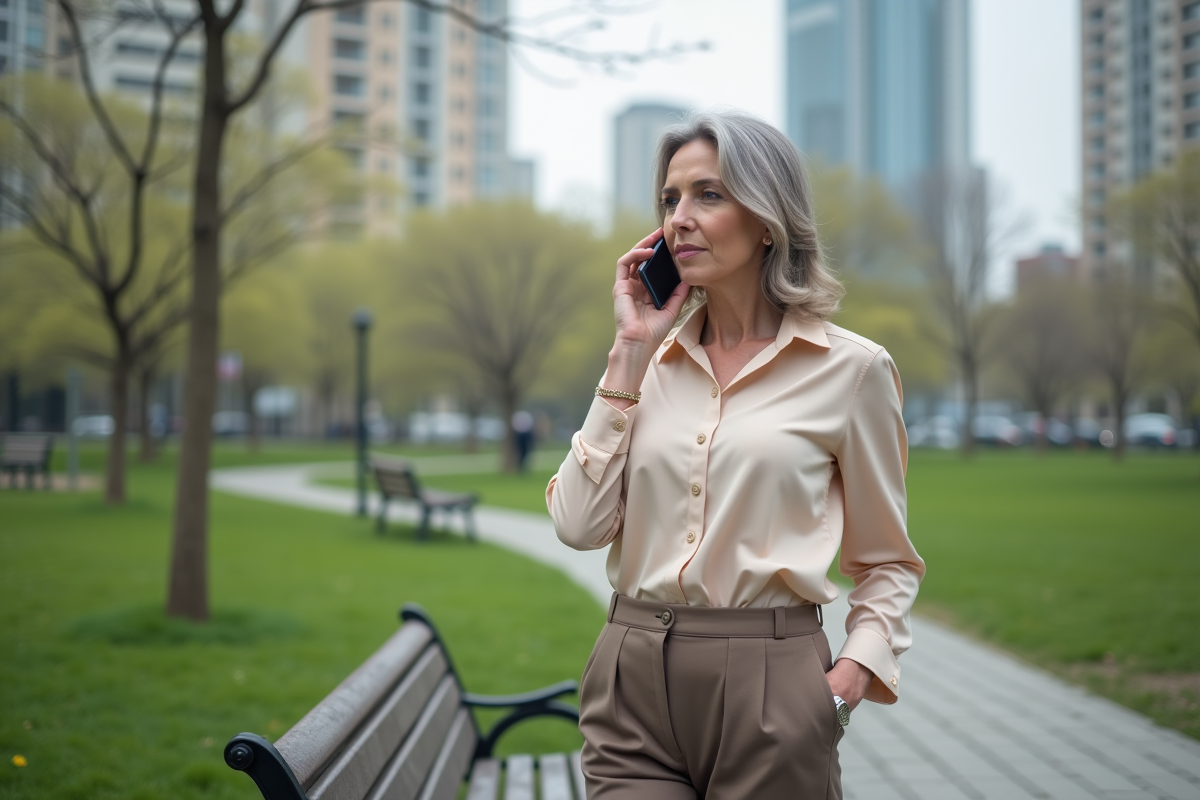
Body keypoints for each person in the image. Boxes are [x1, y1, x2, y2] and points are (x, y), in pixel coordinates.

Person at [546, 110, 925, 799]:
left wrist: (849, 680)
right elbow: (576, 525)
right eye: (670, 199)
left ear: (768, 220)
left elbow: (888, 561)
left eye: (708, 195)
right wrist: (629, 351)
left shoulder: (853, 371)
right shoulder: (647, 366)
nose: (679, 218)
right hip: (630, 678)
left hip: (773, 686)